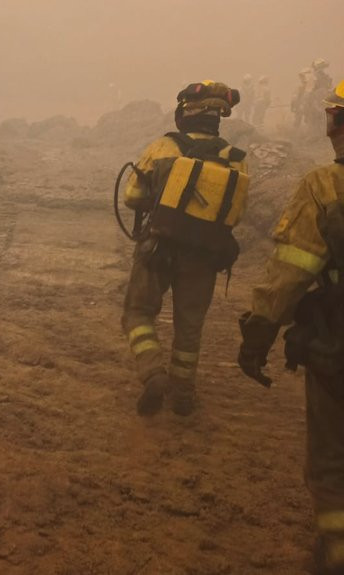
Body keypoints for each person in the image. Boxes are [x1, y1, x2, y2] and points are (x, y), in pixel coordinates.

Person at [238, 80, 344, 575]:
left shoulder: (325, 186)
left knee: (330, 462)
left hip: (336, 347)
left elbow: (291, 271)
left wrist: (259, 333)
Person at [121, 81, 248, 417]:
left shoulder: (163, 147)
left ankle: (152, 372)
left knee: (138, 312)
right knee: (189, 328)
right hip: (204, 257)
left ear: (186, 112)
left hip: (158, 248)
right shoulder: (235, 159)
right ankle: (183, 395)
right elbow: (234, 213)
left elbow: (131, 197)